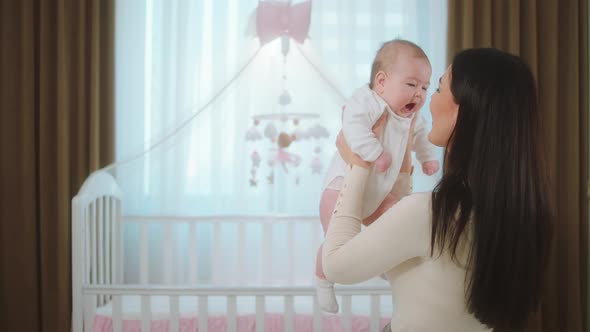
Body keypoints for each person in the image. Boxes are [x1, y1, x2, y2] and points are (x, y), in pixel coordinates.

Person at [322, 48, 553, 331]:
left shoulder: (430, 214)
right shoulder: (518, 214)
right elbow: (404, 251)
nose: (426, 99)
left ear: (460, 111)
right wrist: (405, 159)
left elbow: (335, 265)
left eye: (437, 88)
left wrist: (358, 163)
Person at [315, 39, 440, 314]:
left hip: (377, 191)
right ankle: (323, 282)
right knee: (335, 241)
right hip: (342, 186)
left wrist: (427, 158)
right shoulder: (368, 101)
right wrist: (375, 152)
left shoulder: (412, 117)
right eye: (411, 84)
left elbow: (420, 138)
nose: (418, 94)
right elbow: (352, 127)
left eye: (424, 88)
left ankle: (384, 261)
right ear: (381, 82)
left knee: (395, 220)